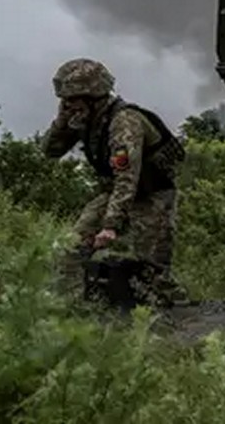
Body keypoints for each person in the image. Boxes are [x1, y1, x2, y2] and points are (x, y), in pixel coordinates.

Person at [43, 58, 186, 307]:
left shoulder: (125, 122)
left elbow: (127, 177)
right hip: (116, 193)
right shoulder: (85, 119)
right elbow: (50, 150)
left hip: (151, 195)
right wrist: (61, 122)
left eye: (72, 99)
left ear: (92, 97)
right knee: (71, 248)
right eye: (64, 100)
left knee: (153, 273)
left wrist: (110, 225)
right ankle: (72, 309)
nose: (67, 104)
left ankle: (179, 315)